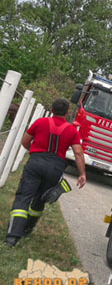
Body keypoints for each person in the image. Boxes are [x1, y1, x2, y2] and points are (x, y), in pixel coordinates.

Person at [4, 99, 86, 247]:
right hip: (55, 167)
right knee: (40, 199)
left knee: (23, 197)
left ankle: (12, 238)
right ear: (67, 112)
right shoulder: (72, 130)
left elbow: (25, 141)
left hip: (36, 162)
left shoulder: (40, 122)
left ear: (52, 110)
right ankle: (27, 229)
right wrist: (82, 174)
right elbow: (78, 153)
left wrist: (34, 153)